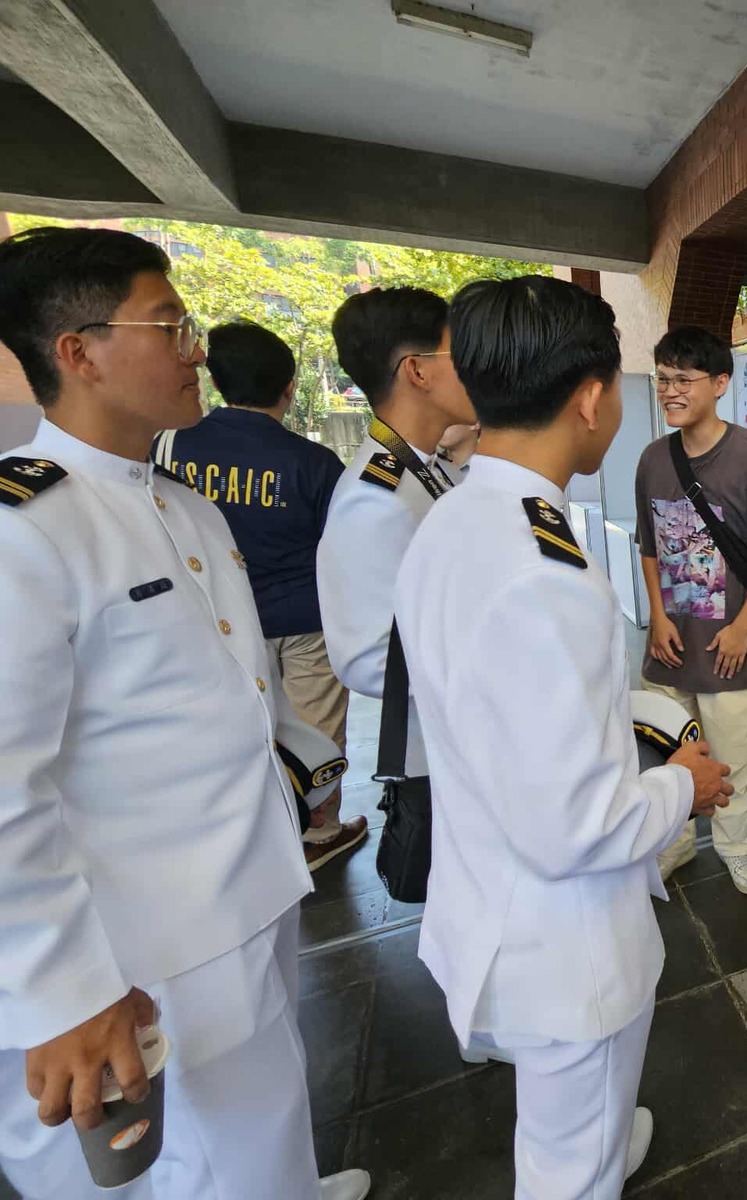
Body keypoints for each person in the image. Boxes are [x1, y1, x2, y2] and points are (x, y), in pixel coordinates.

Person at [0, 226, 368, 1200]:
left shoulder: (184, 505)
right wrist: (66, 987)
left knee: (263, 1123)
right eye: (168, 325)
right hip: (135, 951)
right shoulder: (25, 532)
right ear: (77, 353)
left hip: (245, 892)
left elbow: (210, 689)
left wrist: (296, 758)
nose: (196, 347)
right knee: (186, 1167)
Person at [394, 276, 733, 1200]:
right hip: (559, 940)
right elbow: (575, 824)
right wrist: (684, 786)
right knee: (567, 1169)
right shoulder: (543, 566)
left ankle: (604, 1139)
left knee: (576, 1125)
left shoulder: (457, 515)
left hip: (492, 892)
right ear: (590, 396)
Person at [154, 321, 364, 870]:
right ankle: (320, 829)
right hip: (304, 617)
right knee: (316, 727)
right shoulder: (314, 463)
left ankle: (256, 832)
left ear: (217, 381)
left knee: (239, 729)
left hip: (215, 617)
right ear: (290, 385)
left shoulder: (169, 448)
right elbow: (342, 553)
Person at [636, 326, 747, 894]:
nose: (670, 391)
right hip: (670, 643)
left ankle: (739, 849)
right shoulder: (652, 459)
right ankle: (674, 843)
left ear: (719, 384)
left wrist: (739, 628)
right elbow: (650, 548)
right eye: (663, 379)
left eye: (683, 379)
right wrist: (658, 617)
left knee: (734, 758)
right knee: (665, 755)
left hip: (733, 647)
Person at [317, 286, 476, 846]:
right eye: (461, 354)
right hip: (439, 751)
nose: (476, 368)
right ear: (417, 371)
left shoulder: (422, 467)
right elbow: (365, 659)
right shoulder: (377, 496)